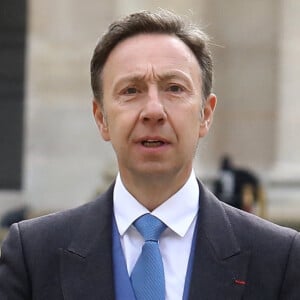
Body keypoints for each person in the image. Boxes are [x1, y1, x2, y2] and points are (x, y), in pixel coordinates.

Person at [0, 9, 299, 300]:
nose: (153, 111)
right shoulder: (33, 255)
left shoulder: (278, 258)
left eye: (174, 88)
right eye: (131, 90)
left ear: (205, 115)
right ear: (101, 118)